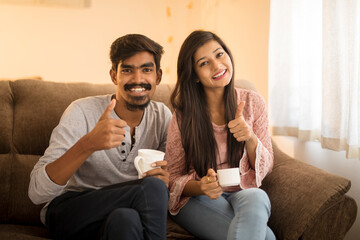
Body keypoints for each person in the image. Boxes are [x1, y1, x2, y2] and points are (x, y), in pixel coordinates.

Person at [28, 34, 172, 240]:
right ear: (114, 76)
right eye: (127, 70)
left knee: (126, 219)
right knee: (152, 189)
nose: (138, 79)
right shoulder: (82, 111)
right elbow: (36, 192)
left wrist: (166, 179)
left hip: (118, 217)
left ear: (157, 76)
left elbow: (173, 174)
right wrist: (88, 144)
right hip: (71, 212)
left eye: (146, 70)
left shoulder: (162, 117)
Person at [166, 30, 275, 240]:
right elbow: (173, 177)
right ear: (195, 76)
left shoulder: (253, 102)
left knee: (258, 196)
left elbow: (267, 166)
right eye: (204, 63)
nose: (217, 66)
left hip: (243, 191)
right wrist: (201, 186)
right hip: (199, 197)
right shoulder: (182, 117)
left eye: (219, 54)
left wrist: (250, 137)